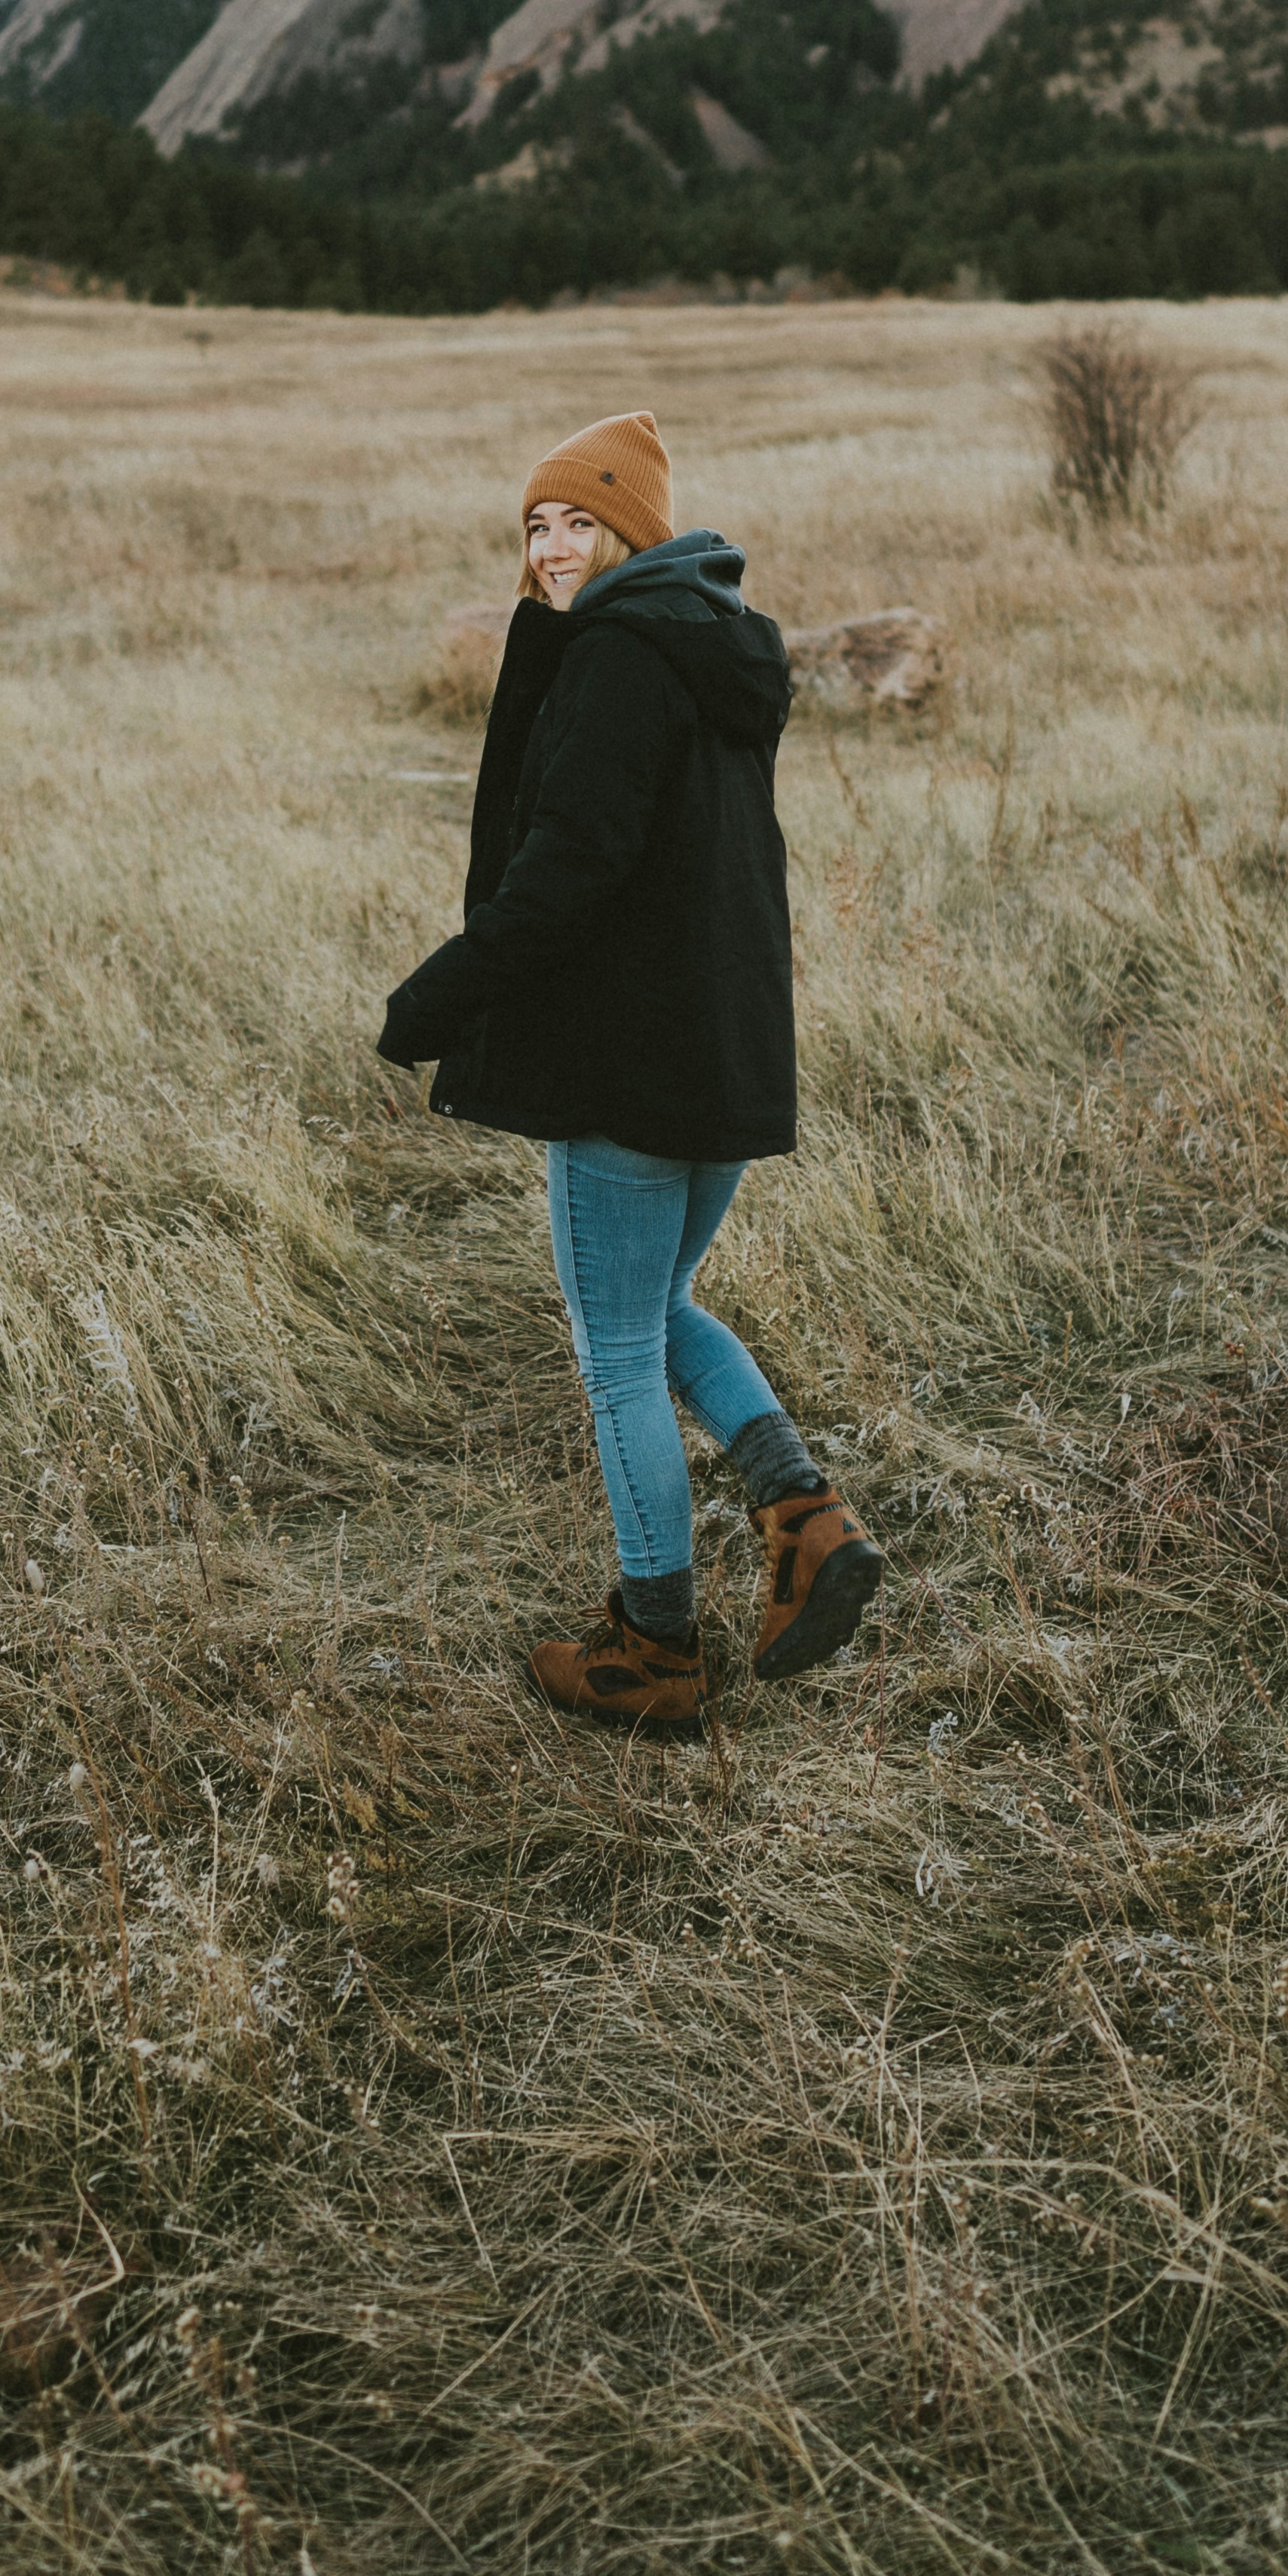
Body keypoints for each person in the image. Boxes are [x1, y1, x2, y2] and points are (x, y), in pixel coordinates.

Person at [378, 409, 882, 1739]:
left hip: (626, 1060)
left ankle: (656, 1646)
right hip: (718, 1057)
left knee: (614, 1352)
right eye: (535, 525)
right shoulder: (713, 644)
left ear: (633, 534)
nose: (551, 549)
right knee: (660, 1308)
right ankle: (806, 1520)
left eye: (578, 521)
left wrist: (437, 996)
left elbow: (570, 873)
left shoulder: (613, 657)